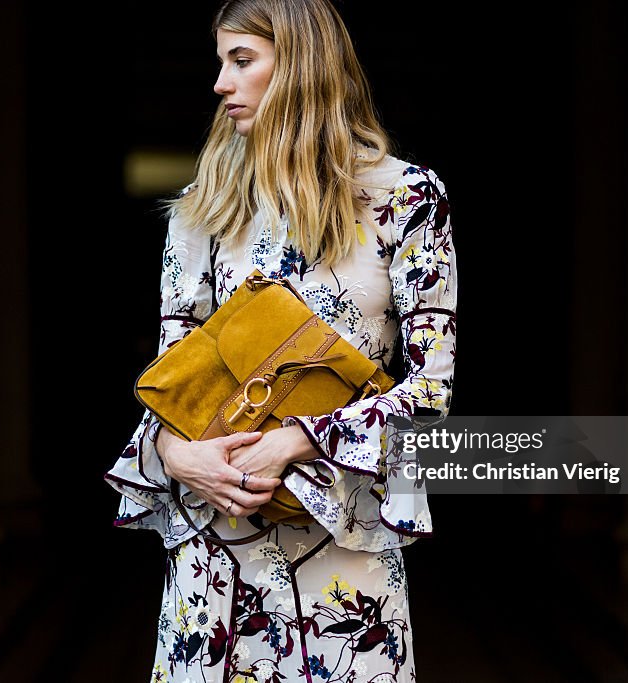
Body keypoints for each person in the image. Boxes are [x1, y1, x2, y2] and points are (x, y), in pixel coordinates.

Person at [105, 0, 456, 680]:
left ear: (298, 65)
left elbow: (431, 393)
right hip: (212, 571)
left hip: (346, 573)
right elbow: (169, 387)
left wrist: (296, 439)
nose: (219, 84)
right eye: (220, 63)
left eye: (241, 61)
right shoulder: (203, 208)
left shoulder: (408, 200)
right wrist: (181, 455)